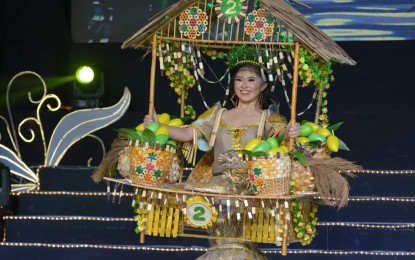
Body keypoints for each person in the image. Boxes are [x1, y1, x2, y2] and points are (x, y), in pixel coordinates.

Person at [144, 60, 300, 260]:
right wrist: (159, 126)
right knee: (221, 242)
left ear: (263, 86)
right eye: (239, 80)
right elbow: (187, 134)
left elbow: (282, 138)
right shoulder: (218, 115)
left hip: (251, 191)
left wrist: (290, 132)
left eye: (251, 80)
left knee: (242, 245)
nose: (244, 85)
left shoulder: (269, 119)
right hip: (217, 192)